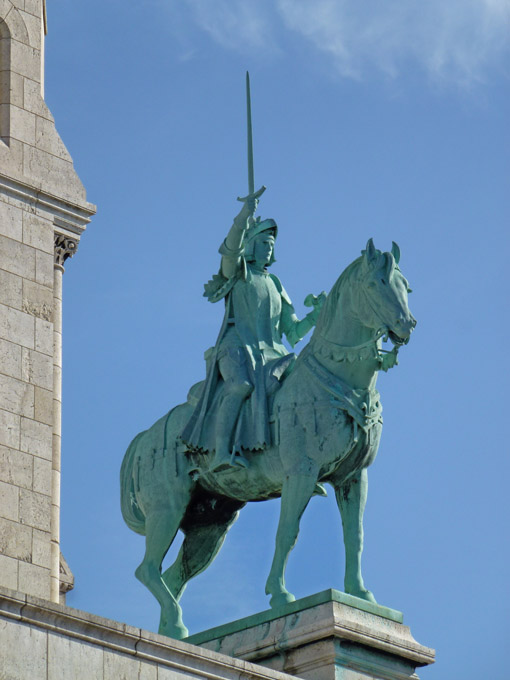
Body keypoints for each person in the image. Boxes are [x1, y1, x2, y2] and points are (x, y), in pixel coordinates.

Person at [182, 194, 325, 472]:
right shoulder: (238, 272)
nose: (268, 250)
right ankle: (222, 452)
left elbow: (293, 331)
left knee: (299, 387)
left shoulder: (275, 283)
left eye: (271, 245)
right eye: (263, 243)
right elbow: (229, 252)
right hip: (236, 347)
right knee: (241, 386)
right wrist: (242, 218)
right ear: (251, 246)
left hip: (272, 353)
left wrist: (315, 317)